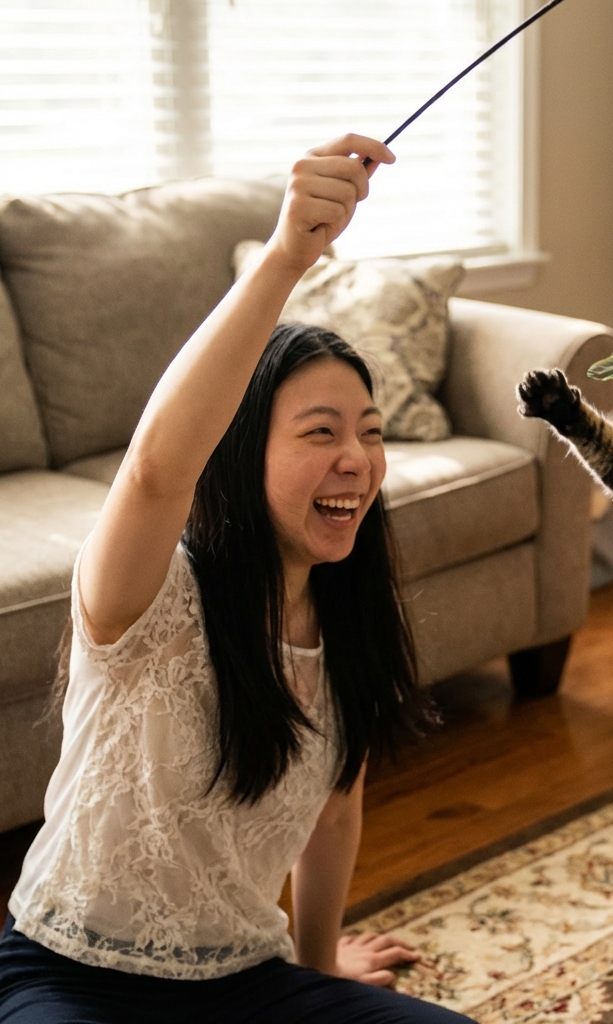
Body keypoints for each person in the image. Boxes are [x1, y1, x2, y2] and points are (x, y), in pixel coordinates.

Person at [0, 135, 472, 1024]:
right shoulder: (147, 594)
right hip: (70, 975)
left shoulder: (350, 624)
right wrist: (289, 254)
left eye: (369, 433)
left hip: (249, 980)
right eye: (320, 432)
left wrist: (323, 963)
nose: (356, 460)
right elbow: (151, 470)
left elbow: (333, 817)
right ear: (238, 454)